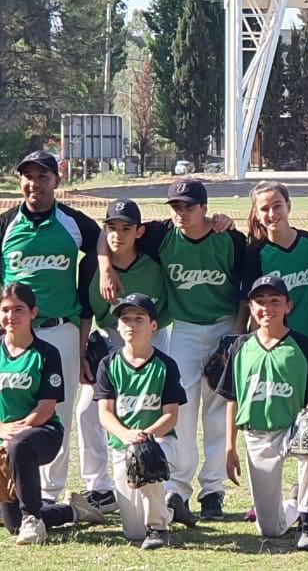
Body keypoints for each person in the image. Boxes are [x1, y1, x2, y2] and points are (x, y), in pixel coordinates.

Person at [99, 178, 248, 524]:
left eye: (189, 206)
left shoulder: (229, 238)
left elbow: (244, 290)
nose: (181, 212)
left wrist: (236, 335)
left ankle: (212, 491)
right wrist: (105, 267)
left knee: (216, 409)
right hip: (184, 328)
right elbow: (106, 233)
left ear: (204, 208)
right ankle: (177, 489)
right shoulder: (161, 233)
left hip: (224, 326)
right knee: (181, 408)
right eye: (176, 206)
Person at [0, 151, 101, 521]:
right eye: (28, 176)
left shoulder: (73, 223)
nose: (34, 184)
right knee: (4, 406)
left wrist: (104, 273)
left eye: (43, 176)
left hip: (60, 330)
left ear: (57, 180)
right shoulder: (3, 225)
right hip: (12, 333)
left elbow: (104, 247)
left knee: (56, 414)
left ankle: (47, 495)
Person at [0, 283, 105, 544]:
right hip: (0, 439)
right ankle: (73, 510)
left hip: (43, 433)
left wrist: (14, 435)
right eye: (5, 310)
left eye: (19, 309)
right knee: (12, 524)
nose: (11, 316)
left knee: (20, 446)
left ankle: (32, 520)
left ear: (33, 313)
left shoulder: (46, 353)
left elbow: (47, 406)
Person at [217, 275, 308, 551]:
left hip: (292, 427)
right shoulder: (240, 346)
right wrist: (230, 447)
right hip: (257, 434)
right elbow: (232, 399)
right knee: (270, 528)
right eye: (260, 301)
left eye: (275, 301)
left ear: (288, 306)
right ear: (251, 307)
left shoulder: (301, 345)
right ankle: (294, 504)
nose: (267, 308)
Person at [75, 198, 172, 516]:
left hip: (154, 336)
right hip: (109, 337)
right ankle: (99, 487)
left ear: (139, 231)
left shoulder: (154, 254)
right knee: (87, 410)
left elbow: (186, 222)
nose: (118, 234)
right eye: (112, 227)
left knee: (153, 408)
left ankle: (162, 483)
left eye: (126, 228)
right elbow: (85, 313)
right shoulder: (90, 265)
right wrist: (81, 354)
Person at [93, 293, 186, 549]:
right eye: (125, 319)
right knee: (134, 532)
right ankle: (171, 508)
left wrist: (146, 436)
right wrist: (126, 435)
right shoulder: (108, 364)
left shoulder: (166, 365)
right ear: (118, 325)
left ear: (153, 325)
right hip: (122, 444)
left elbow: (171, 415)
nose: (131, 324)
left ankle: (158, 528)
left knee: (146, 453)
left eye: (139, 319)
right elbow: (105, 414)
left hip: (159, 440)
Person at [243, 181, 308, 356]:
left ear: (288, 206)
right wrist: (257, 348)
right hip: (275, 345)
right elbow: (254, 307)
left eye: (277, 206)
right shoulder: (256, 252)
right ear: (257, 214)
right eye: (264, 209)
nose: (272, 214)